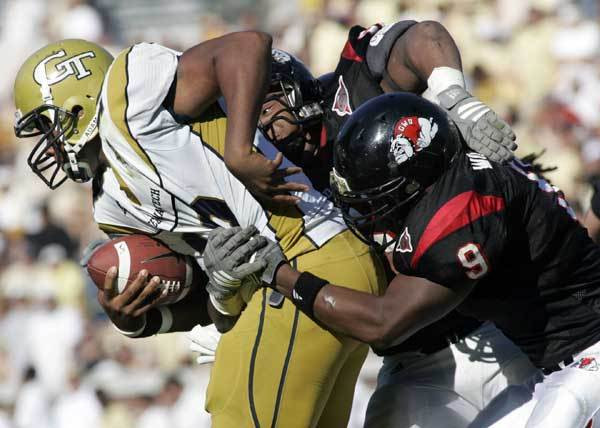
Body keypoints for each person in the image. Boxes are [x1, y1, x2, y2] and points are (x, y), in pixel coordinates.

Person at [13, 36, 385, 427]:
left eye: (45, 124)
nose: (47, 145)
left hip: (303, 253)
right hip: (315, 272)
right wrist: (136, 319)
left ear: (77, 100)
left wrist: (239, 150)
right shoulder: (111, 204)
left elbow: (246, 47)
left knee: (232, 412)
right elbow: (197, 295)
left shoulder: (128, 96)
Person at [210, 92, 600, 427]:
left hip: (589, 357)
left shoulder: (465, 208)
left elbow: (384, 323)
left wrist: (282, 277)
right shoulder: (461, 178)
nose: (374, 212)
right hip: (554, 366)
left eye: (380, 196)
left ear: (419, 174)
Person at [253, 22, 535, 427]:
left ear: (295, 92)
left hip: (500, 327)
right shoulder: (269, 180)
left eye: (264, 110)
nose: (263, 130)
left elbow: (425, 37)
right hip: (414, 358)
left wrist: (455, 96)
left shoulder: (353, 95)